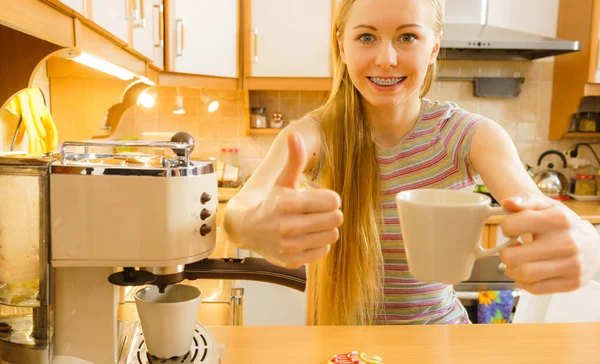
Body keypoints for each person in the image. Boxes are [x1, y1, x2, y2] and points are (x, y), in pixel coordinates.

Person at [223, 0, 600, 325]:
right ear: (342, 46)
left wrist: (588, 245)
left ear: (434, 47)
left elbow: (546, 218)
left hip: (440, 344)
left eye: (407, 37)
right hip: (341, 350)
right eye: (366, 37)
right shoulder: (312, 136)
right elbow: (236, 211)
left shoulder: (471, 136)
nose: (386, 59)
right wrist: (251, 227)